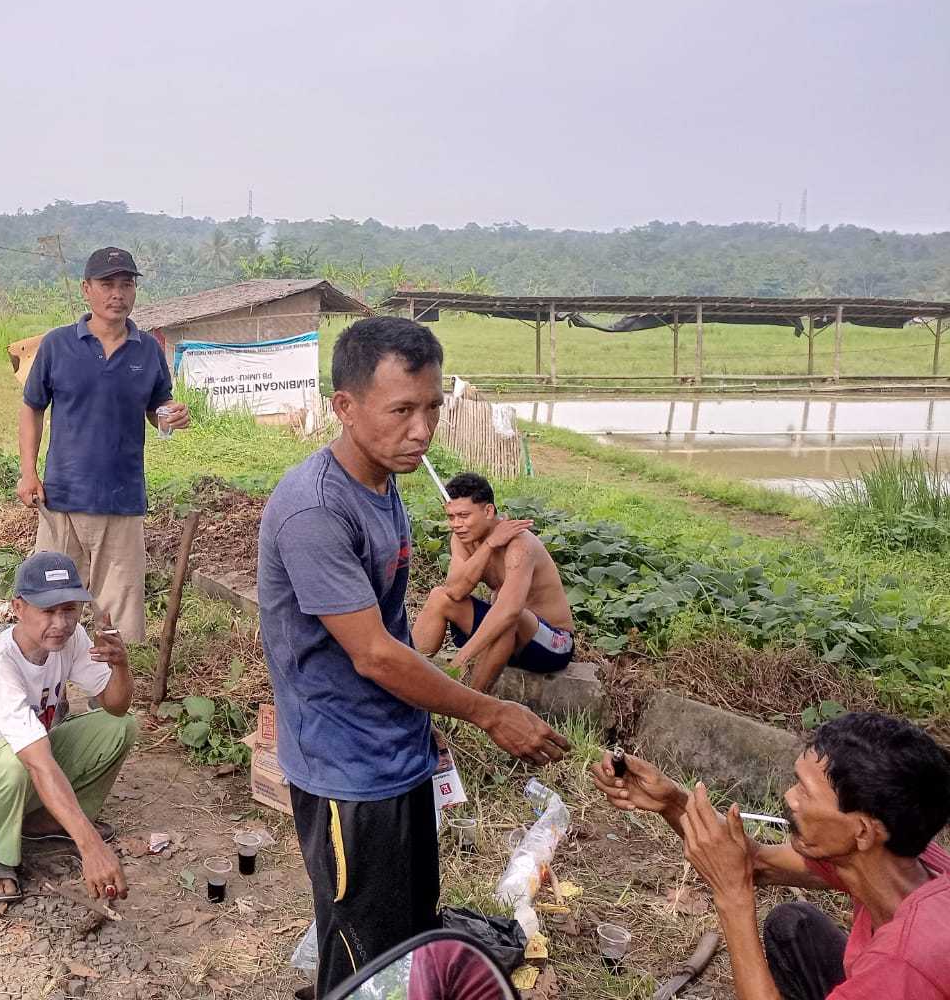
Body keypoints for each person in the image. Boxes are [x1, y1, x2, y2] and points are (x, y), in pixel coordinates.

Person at [258, 316, 569, 998]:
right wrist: (488, 711)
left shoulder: (381, 483)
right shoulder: (314, 510)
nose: (422, 431)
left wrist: (416, 708)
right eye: (401, 410)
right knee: (359, 946)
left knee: (405, 928)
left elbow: (391, 626)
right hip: (345, 769)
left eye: (431, 408)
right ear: (343, 406)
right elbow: (371, 654)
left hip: (391, 748)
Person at [591, 712, 950, 1000]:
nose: (791, 798)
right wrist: (672, 802)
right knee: (792, 925)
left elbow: (741, 874)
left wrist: (733, 896)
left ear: (862, 831)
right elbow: (757, 862)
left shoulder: (903, 964)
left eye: (806, 792)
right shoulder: (897, 859)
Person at [0, 551, 136, 905]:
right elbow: (38, 763)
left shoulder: (71, 640)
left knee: (120, 728)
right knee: (14, 759)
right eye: (48, 611)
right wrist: (92, 848)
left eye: (69, 609)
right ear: (18, 608)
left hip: (20, 772)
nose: (60, 623)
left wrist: (121, 666)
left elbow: (116, 706)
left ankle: (43, 822)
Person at [17, 247, 189, 642]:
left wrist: (169, 415)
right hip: (63, 499)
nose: (118, 294)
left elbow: (156, 407)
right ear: (86, 290)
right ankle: (54, 694)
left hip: (122, 502)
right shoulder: (58, 345)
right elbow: (32, 409)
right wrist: (28, 473)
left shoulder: (148, 350)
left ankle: (112, 698)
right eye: (107, 284)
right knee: (52, 607)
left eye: (126, 284)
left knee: (118, 618)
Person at [411, 472, 576, 694]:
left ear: (488, 511)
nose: (456, 524)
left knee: (508, 618)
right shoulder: (462, 538)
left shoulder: (520, 545)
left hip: (551, 644)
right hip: (507, 640)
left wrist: (460, 659)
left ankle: (468, 706)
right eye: (451, 517)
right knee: (439, 597)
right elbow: (455, 591)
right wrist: (489, 545)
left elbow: (510, 611)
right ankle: (408, 685)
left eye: (464, 515)